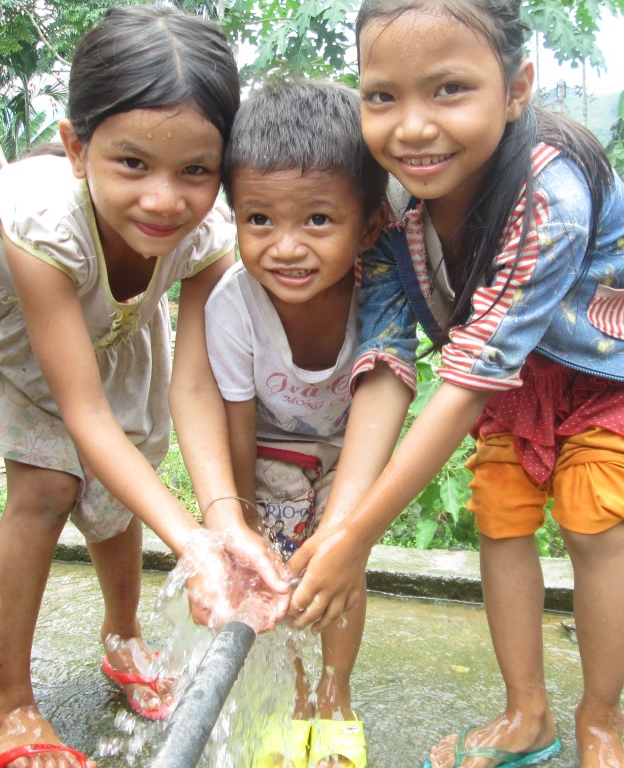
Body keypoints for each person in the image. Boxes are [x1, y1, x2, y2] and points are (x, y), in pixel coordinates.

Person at [285, 2, 624, 768]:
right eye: (382, 96)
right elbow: (388, 361)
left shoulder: (548, 191)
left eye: (448, 89)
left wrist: (359, 536)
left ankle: (602, 723)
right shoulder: (384, 207)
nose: (413, 126)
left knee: (590, 521)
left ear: (516, 87)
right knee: (500, 513)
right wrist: (340, 525)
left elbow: (473, 375)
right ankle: (528, 713)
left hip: (620, 361)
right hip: (514, 371)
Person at [0, 6, 290, 767]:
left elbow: (197, 387)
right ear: (76, 148)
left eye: (196, 171)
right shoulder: (42, 227)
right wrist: (194, 547)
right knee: (50, 483)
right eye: (132, 164)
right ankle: (6, 708)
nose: (165, 200)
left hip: (110, 334)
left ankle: (123, 637)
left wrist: (221, 522)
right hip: (12, 332)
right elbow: (82, 414)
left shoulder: (207, 239)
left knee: (117, 489)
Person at [204, 79, 386, 768]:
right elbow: (237, 419)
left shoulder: (379, 291)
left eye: (317, 220)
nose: (285, 247)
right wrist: (243, 517)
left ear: (367, 225)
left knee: (341, 566)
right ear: (233, 217)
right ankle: (296, 700)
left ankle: (335, 699)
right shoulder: (233, 306)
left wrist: (342, 527)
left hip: (349, 445)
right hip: (274, 448)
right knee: (280, 572)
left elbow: (382, 395)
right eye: (259, 220)